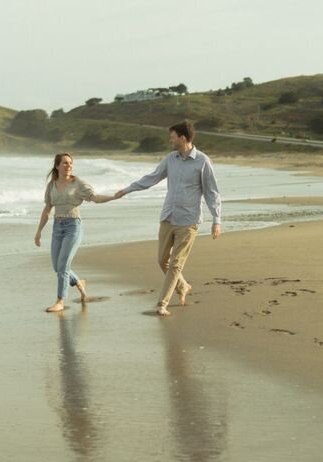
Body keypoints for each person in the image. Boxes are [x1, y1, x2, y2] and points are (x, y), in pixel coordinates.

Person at [115, 121, 222, 316]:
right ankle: (183, 286)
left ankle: (161, 304)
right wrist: (128, 189)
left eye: (172, 137)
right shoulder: (171, 159)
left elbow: (211, 192)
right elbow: (152, 177)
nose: (170, 140)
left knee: (175, 264)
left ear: (183, 138)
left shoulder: (203, 161)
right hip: (168, 217)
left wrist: (217, 219)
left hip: (188, 221)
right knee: (162, 260)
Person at [35, 153, 115, 313]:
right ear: (57, 166)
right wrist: (39, 232)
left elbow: (95, 198)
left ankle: (60, 301)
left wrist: (113, 197)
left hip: (73, 226)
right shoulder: (52, 185)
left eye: (70, 163)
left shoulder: (78, 183)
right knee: (57, 267)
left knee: (63, 266)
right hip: (57, 227)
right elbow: (47, 209)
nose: (69, 166)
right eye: (65, 163)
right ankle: (79, 282)